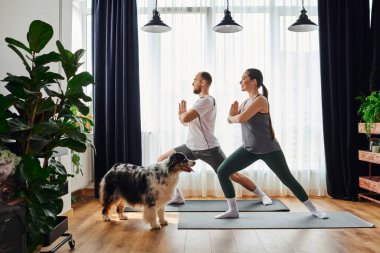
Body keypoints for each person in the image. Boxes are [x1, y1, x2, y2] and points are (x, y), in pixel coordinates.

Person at [215, 68, 328, 219]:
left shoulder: (260, 100)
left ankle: (314, 210)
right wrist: (232, 116)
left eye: (243, 78)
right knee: (222, 171)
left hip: (269, 149)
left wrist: (232, 116)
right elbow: (230, 120)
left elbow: (238, 119)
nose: (240, 81)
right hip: (249, 149)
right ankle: (233, 210)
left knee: (287, 179)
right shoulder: (245, 102)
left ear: (253, 81)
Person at [157, 71, 272, 206]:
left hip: (209, 149)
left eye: (195, 80)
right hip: (190, 147)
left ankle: (262, 194)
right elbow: (187, 122)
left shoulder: (207, 100)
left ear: (203, 82)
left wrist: (182, 114)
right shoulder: (200, 101)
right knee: (162, 161)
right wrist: (181, 115)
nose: (192, 83)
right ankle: (177, 197)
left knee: (233, 175)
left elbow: (186, 118)